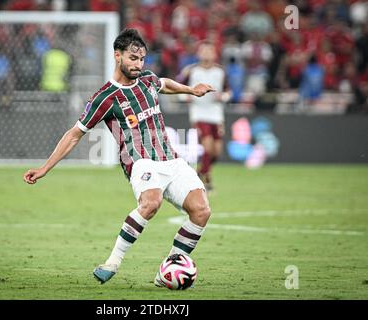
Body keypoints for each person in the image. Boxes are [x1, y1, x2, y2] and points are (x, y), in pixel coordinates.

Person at [23, 28, 215, 287]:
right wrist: (46, 168)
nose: (138, 64)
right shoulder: (105, 97)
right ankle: (112, 262)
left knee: (202, 211)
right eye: (133, 59)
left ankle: (168, 269)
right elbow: (74, 134)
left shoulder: (147, 80)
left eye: (141, 59)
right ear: (118, 56)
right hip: (140, 162)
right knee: (151, 203)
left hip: (172, 159)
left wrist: (191, 90)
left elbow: (165, 83)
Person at [177, 42, 230, 191]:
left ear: (214, 53)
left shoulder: (220, 71)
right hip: (199, 112)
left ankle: (199, 173)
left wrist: (223, 97)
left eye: (209, 51)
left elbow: (228, 91)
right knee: (207, 146)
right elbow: (178, 87)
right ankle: (206, 180)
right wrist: (185, 97)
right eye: (204, 51)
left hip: (216, 113)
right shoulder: (191, 70)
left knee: (217, 152)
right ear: (198, 53)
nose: (206, 53)